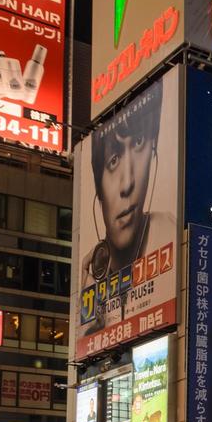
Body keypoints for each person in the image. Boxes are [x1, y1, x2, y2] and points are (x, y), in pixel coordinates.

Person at [79, 90, 175, 334]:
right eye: (113, 160)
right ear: (97, 186)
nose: (128, 183)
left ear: (154, 149)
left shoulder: (170, 235)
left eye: (139, 143)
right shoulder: (92, 272)